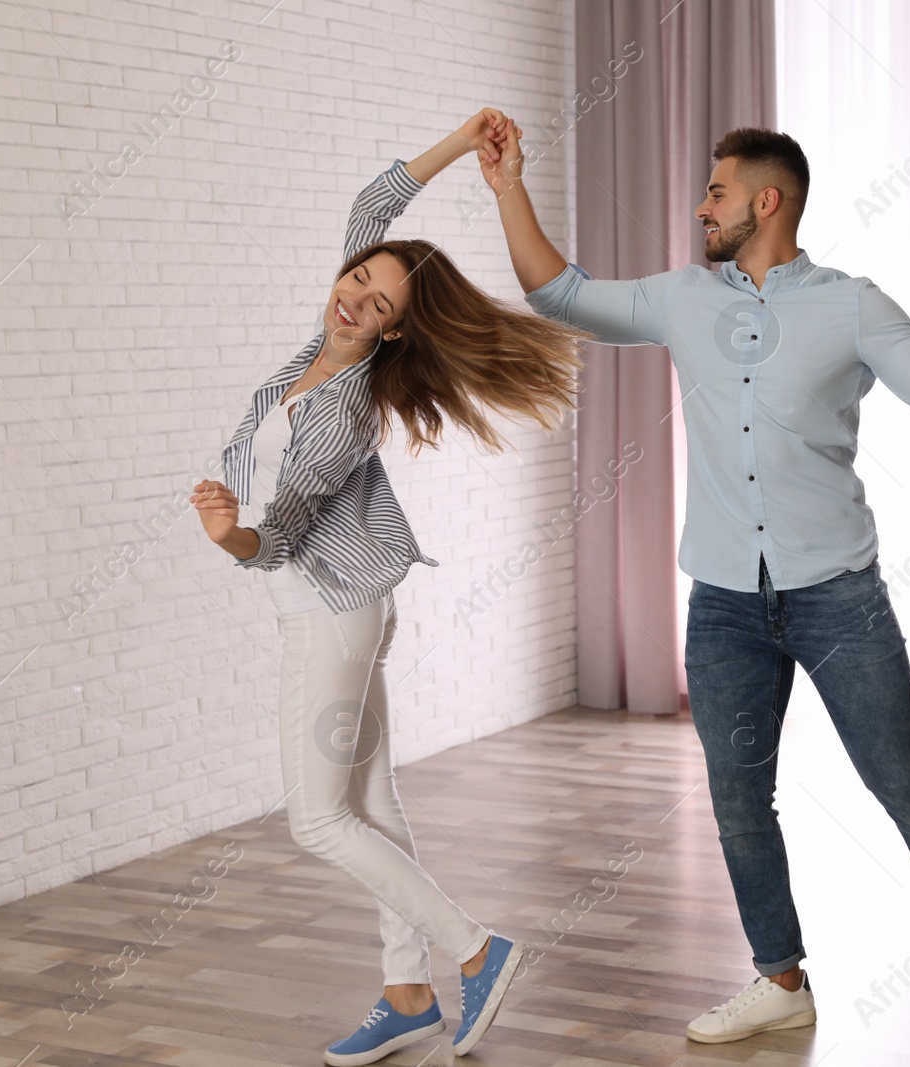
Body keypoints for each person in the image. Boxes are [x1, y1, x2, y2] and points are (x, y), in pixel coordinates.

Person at [477, 121, 910, 1050]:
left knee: (902, 782)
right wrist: (507, 190)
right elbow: (559, 294)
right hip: (725, 603)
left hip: (838, 595)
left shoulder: (850, 305)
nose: (702, 205)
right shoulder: (680, 297)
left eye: (717, 191)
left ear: (766, 203)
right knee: (740, 801)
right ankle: (780, 978)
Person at [191, 109, 583, 1066]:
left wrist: (229, 533)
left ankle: (478, 951)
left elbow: (278, 534)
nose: (352, 299)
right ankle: (408, 994)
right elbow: (376, 202)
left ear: (397, 329)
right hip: (344, 605)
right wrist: (463, 140)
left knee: (319, 818)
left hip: (327, 611)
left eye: (374, 301)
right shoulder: (316, 349)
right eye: (355, 279)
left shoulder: (345, 409)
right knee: (371, 802)